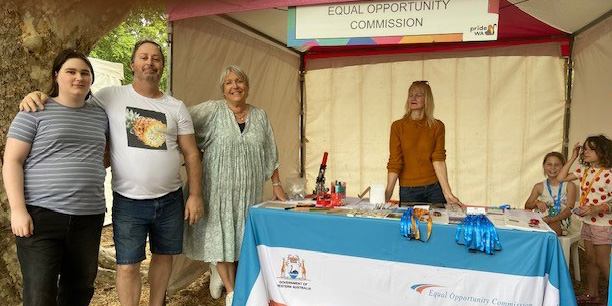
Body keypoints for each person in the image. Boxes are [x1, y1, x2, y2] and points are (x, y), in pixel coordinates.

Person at [19, 40, 203, 306]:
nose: (150, 62)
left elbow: (191, 153)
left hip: (170, 198)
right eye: (143, 57)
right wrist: (38, 95)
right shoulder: (109, 96)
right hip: (128, 200)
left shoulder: (176, 107)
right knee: (128, 264)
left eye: (156, 58)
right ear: (132, 65)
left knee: (164, 257)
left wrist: (195, 194)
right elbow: (70, 97)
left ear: (162, 66)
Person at [3, 50, 108, 306]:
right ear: (56, 76)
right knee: (40, 294)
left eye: (85, 73)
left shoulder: (100, 115)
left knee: (79, 291)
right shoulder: (34, 110)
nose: (78, 78)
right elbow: (12, 161)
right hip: (41, 216)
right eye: (70, 71)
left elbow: (104, 156)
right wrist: (17, 210)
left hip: (89, 217)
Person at [184, 66, 286, 305]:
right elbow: (181, 120)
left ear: (247, 87)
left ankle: (230, 279)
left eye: (239, 81)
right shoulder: (212, 110)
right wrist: (192, 152)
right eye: (229, 82)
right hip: (216, 191)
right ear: (223, 89)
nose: (234, 86)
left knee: (243, 238)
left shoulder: (260, 116)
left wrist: (277, 185)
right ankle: (233, 293)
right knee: (221, 238)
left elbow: (270, 152)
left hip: (249, 193)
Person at [385, 80, 462, 205]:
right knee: (411, 224)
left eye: (418, 95)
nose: (413, 98)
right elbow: (395, 161)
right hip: (408, 190)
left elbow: (438, 159)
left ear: (427, 99)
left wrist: (447, 193)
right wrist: (388, 192)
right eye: (410, 95)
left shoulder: (437, 126)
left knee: (437, 223)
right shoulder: (397, 126)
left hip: (434, 189)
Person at [558, 135, 612, 305]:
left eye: (591, 149)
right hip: (588, 221)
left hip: (603, 224)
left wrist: (596, 208)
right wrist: (573, 156)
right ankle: (593, 294)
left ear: (602, 151)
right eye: (585, 149)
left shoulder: (609, 173)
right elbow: (560, 177)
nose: (586, 151)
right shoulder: (584, 170)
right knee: (590, 259)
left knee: (603, 261)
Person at [524, 152, 577, 235]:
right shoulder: (539, 186)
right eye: (549, 164)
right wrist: (536, 203)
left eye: (557, 165)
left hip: (561, 222)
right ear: (544, 166)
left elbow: (569, 210)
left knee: (546, 230)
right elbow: (527, 206)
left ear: (564, 167)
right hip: (541, 220)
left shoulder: (569, 185)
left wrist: (551, 219)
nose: (553, 168)